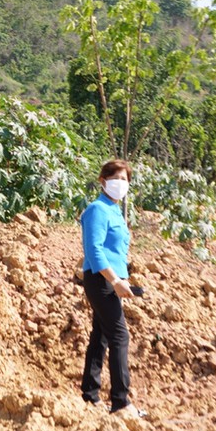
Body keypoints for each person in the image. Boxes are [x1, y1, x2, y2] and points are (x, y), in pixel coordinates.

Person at [79, 159, 143, 415]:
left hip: (111, 279)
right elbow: (93, 250)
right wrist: (114, 281)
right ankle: (120, 402)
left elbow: (113, 250)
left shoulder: (114, 210)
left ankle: (90, 395)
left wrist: (121, 279)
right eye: (116, 179)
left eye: (125, 180)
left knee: (101, 336)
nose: (121, 184)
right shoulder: (97, 209)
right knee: (120, 336)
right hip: (100, 279)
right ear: (103, 181)